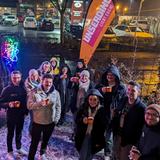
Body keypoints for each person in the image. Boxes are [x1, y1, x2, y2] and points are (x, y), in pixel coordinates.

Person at [27, 73, 61, 160]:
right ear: (42, 81)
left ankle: (42, 154)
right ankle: (30, 157)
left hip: (50, 122)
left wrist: (56, 119)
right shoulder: (34, 91)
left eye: (50, 82)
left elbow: (58, 107)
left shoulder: (56, 93)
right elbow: (29, 106)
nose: (48, 84)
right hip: (37, 122)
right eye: (46, 82)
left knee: (45, 140)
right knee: (34, 142)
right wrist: (39, 103)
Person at [96, 65, 126, 160]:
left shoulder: (121, 87)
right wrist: (101, 90)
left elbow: (124, 99)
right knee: (103, 133)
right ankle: (103, 151)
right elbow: (93, 92)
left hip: (114, 114)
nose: (109, 76)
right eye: (108, 74)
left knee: (112, 136)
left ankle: (110, 153)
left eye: (112, 75)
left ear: (116, 76)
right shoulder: (102, 84)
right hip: (103, 113)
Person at [0, 70, 28, 159]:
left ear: (21, 77)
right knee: (10, 133)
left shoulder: (24, 88)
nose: (16, 80)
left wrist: (26, 111)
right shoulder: (7, 89)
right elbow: (1, 103)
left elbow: (26, 101)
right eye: (14, 78)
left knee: (19, 133)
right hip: (11, 115)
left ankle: (19, 148)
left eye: (18, 78)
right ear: (11, 78)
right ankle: (9, 151)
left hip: (21, 115)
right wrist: (9, 104)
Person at [75, 89, 108, 160]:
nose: (92, 102)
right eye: (90, 99)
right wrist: (83, 120)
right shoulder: (83, 107)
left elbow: (105, 124)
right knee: (83, 154)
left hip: (95, 137)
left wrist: (95, 122)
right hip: (83, 135)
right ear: (87, 99)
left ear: (98, 100)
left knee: (90, 154)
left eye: (95, 100)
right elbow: (76, 119)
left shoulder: (101, 110)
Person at [119, 81, 146, 160]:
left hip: (129, 141)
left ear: (138, 92)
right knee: (115, 156)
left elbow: (141, 128)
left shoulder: (142, 108)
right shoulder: (123, 100)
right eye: (128, 89)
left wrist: (136, 145)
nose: (130, 92)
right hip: (118, 136)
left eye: (133, 90)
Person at [25, 69, 41, 135]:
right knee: (33, 119)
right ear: (29, 76)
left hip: (39, 103)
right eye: (32, 75)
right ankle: (31, 132)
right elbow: (29, 94)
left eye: (36, 75)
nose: (34, 77)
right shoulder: (27, 83)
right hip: (32, 104)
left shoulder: (39, 81)